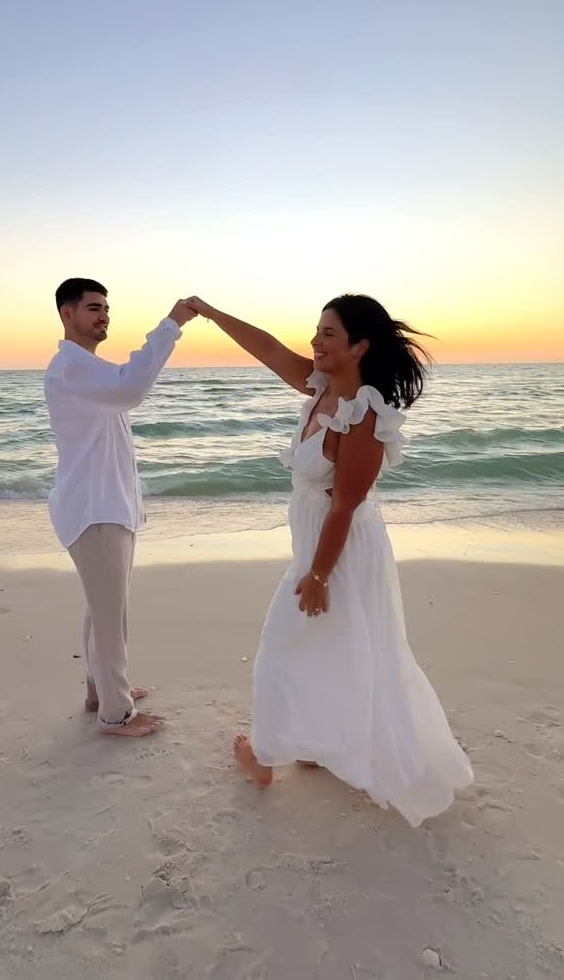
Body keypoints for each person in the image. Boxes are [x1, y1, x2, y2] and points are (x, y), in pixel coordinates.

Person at [187, 293, 473, 825]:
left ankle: (265, 758)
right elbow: (269, 347)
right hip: (318, 543)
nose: (316, 342)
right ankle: (317, 743)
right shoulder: (321, 390)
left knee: (282, 643)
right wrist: (210, 312)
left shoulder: (363, 414)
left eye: (329, 335)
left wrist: (318, 574)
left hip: (338, 550)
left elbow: (345, 504)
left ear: (360, 346)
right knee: (337, 643)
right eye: (317, 331)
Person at [44, 278, 197, 737]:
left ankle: (101, 691)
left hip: (103, 506)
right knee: (111, 616)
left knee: (102, 608)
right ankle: (116, 714)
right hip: (95, 510)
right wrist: (171, 325)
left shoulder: (85, 369)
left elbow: (121, 387)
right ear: (67, 314)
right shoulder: (73, 367)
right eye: (93, 307)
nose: (103, 314)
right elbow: (132, 388)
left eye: (106, 307)